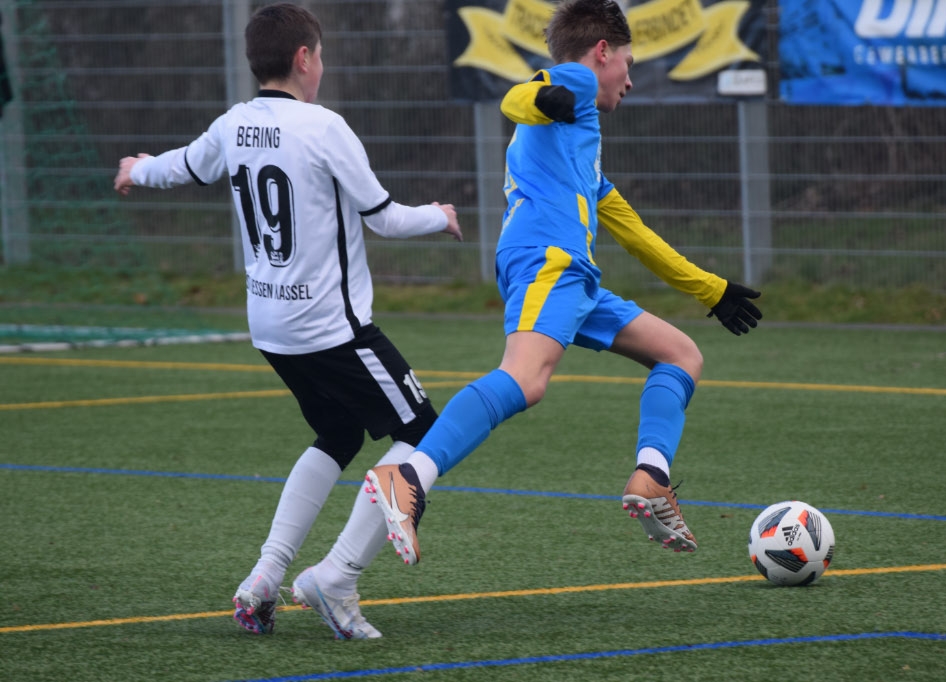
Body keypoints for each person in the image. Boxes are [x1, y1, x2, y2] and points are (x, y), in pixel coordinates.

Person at [362, 0, 761, 567]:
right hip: (549, 261)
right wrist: (542, 98)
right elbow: (517, 97)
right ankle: (409, 476)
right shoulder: (575, 84)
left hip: (572, 272)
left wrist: (710, 289)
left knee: (680, 354)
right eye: (627, 63)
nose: (630, 79)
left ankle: (651, 475)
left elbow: (635, 233)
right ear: (602, 52)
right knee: (525, 379)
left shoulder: (581, 149)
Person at [113, 3, 462, 640]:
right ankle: (338, 578)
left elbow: (182, 165)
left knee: (339, 433)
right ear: (303, 58)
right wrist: (440, 215)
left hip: (272, 328)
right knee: (425, 435)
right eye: (320, 55)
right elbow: (385, 219)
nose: (321, 66)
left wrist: (137, 169)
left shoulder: (235, 123)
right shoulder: (325, 127)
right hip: (332, 328)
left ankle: (264, 578)